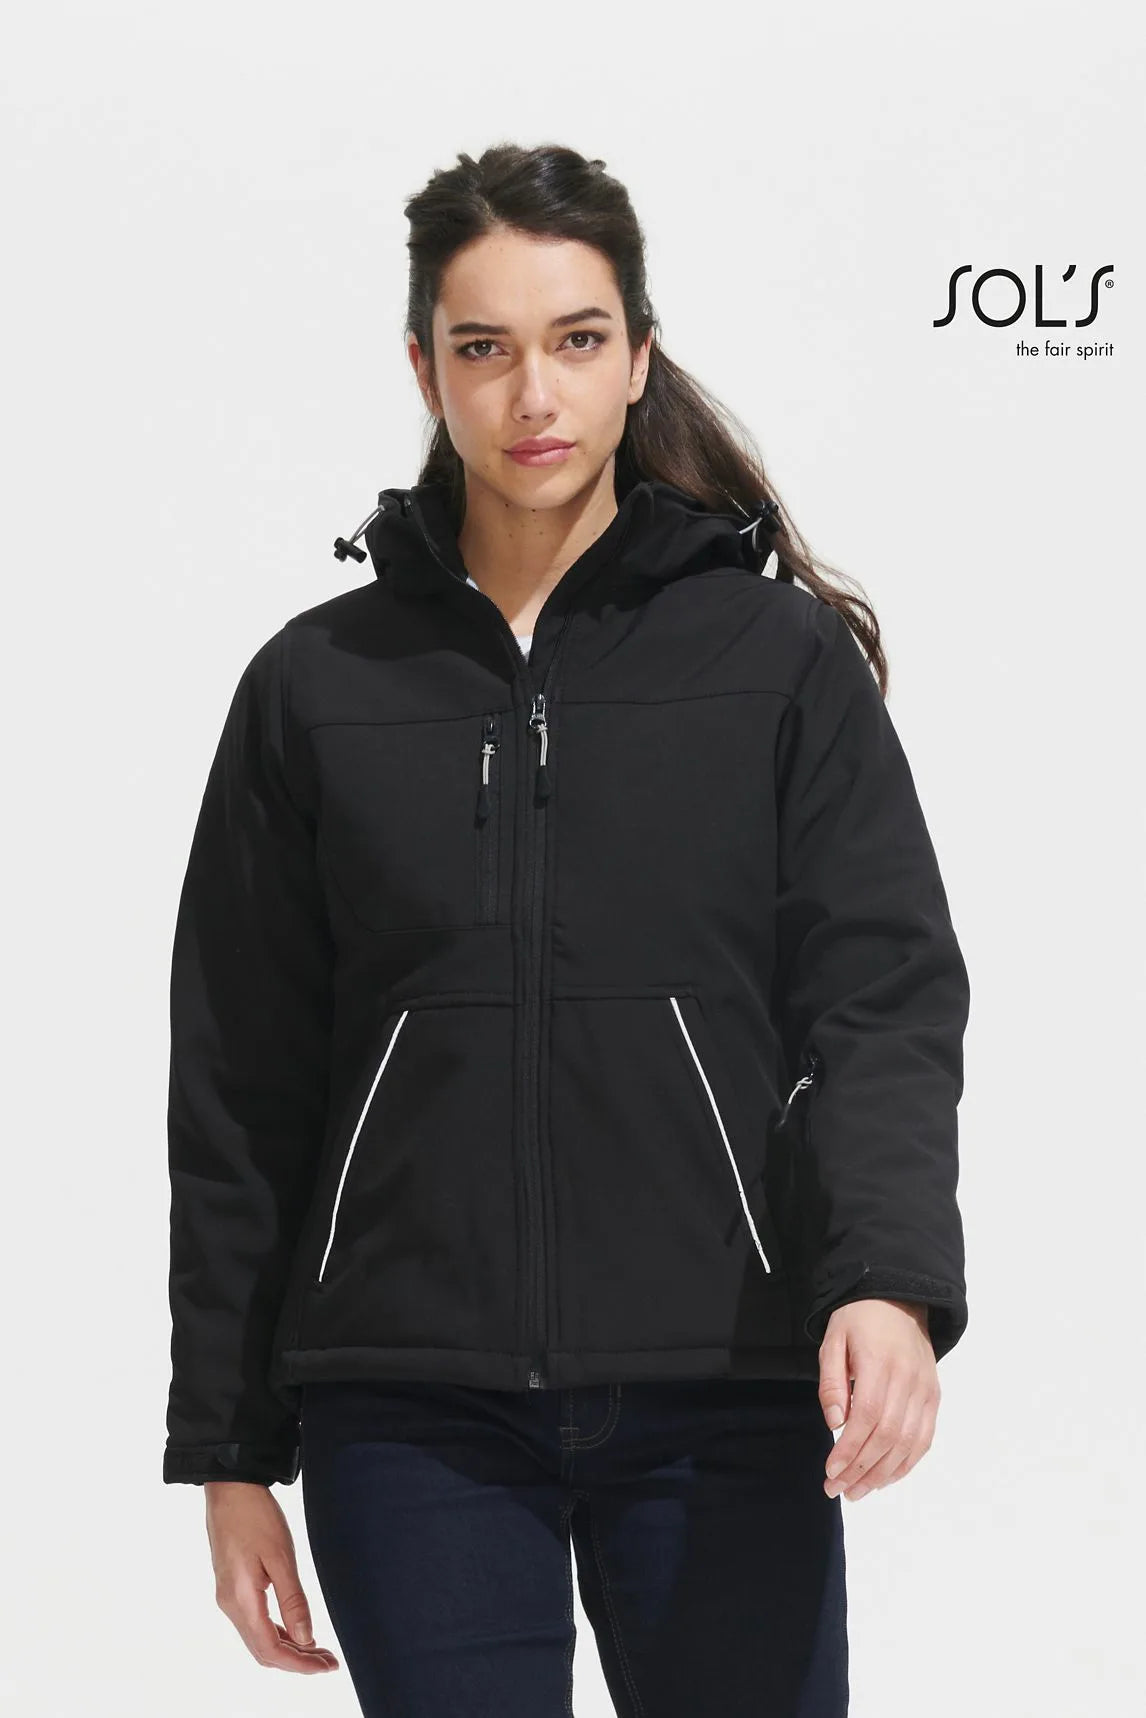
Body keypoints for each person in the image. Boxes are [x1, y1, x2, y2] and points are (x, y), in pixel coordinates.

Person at [162, 141, 971, 1718]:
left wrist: (884, 1277)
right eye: (483, 346)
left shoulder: (773, 664)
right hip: (409, 1406)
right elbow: (241, 1087)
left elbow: (877, 998)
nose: (532, 391)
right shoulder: (316, 688)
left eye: (576, 339)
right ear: (425, 369)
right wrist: (229, 1451)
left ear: (637, 356)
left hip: (724, 1378)